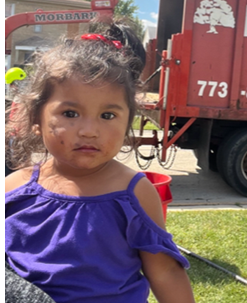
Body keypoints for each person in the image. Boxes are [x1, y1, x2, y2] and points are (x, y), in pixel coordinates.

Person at [5, 22, 195, 303]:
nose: (89, 131)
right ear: (36, 118)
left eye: (107, 116)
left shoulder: (134, 193)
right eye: (70, 113)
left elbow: (165, 272)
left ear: (128, 122)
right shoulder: (14, 187)